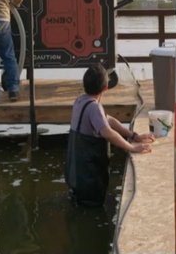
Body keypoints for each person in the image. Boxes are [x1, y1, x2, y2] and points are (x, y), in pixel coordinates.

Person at [65, 63, 154, 207]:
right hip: (89, 179)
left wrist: (133, 135)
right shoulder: (94, 107)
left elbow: (109, 120)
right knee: (92, 209)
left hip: (75, 175)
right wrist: (131, 147)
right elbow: (108, 133)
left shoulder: (80, 100)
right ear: (106, 88)